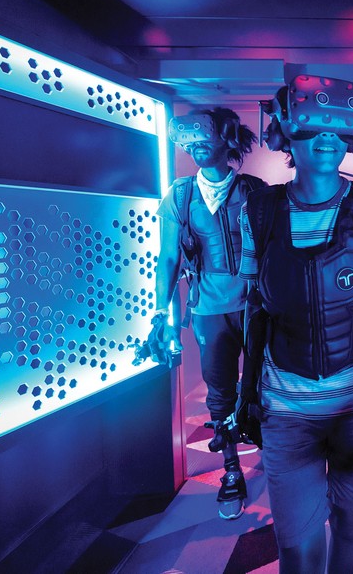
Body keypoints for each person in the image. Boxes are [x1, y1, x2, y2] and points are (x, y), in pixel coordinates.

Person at [239, 75, 353, 573]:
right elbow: (253, 308)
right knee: (296, 546)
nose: (327, 139)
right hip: (286, 408)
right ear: (286, 132)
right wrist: (242, 392)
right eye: (314, 126)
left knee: (351, 522)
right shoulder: (258, 212)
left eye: (338, 129)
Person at [144, 107, 267, 521]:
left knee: (265, 384)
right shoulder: (180, 196)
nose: (196, 146)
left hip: (256, 306)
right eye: (190, 141)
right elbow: (167, 259)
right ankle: (231, 469)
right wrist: (160, 313)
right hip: (209, 308)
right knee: (219, 392)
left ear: (227, 140)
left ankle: (277, 454)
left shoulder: (254, 191)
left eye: (204, 138)